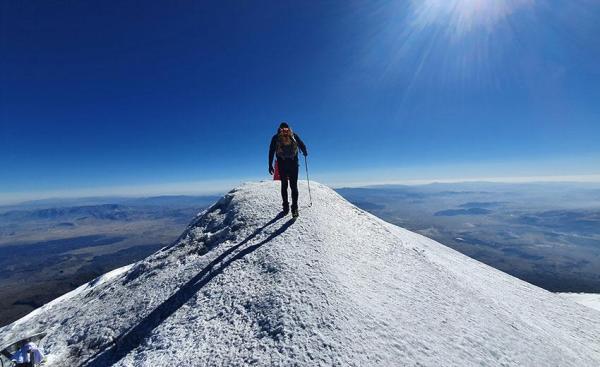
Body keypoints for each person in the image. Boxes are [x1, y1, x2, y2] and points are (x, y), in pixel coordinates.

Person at [268, 122, 307, 217]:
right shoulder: (293, 135)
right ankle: (295, 209)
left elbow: (271, 151)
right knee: (294, 186)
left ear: (279, 128)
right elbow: (302, 145)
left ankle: (285, 207)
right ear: (288, 128)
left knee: (284, 185)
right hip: (293, 163)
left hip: (282, 164)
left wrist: (270, 165)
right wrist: (305, 152)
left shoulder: (276, 137)